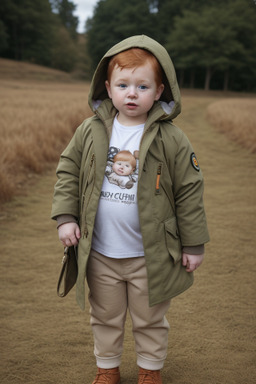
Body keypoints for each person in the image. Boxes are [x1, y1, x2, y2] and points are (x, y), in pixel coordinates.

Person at [51, 35, 210, 384]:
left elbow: (189, 190)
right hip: (101, 253)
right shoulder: (89, 131)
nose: (132, 93)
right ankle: (107, 368)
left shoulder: (172, 138)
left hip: (150, 255)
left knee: (150, 318)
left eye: (142, 85)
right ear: (108, 88)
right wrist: (66, 218)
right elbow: (68, 172)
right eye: (123, 85)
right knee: (104, 315)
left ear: (159, 90)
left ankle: (149, 371)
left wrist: (193, 243)